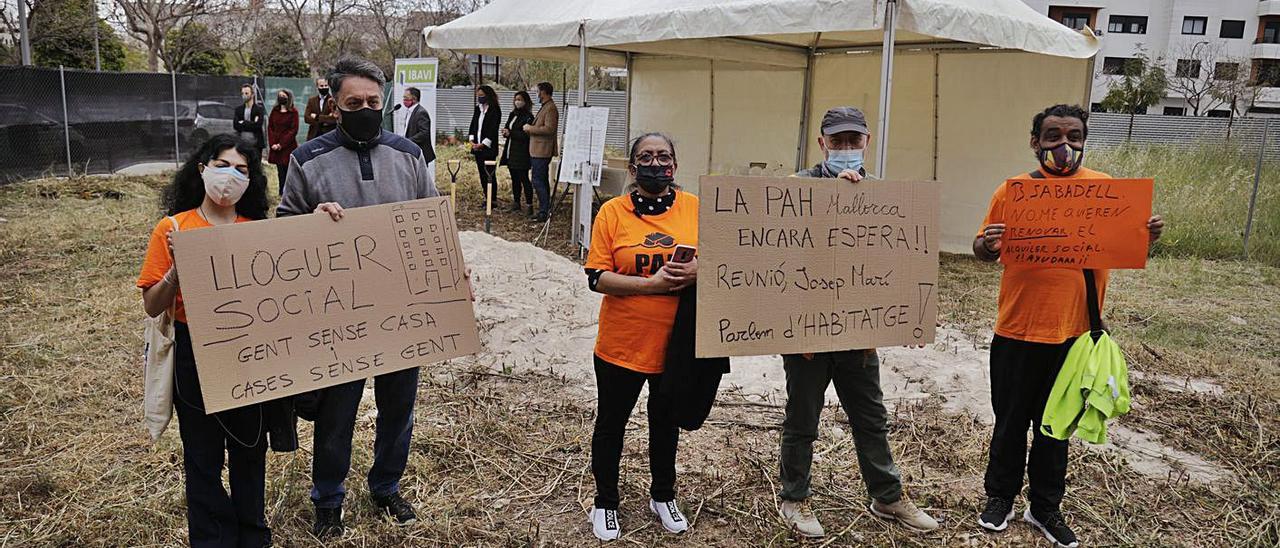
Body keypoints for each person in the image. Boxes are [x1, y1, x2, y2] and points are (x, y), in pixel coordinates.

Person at [973, 104, 1164, 548]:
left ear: (1084, 139)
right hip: (1017, 329)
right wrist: (986, 243)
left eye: (1073, 135)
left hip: (1076, 335)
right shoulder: (1013, 190)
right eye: (1053, 135)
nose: (1064, 145)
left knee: (1055, 426)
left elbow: (1126, 248)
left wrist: (1145, 237)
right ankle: (999, 497)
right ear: (1035, 141)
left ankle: (1044, 508)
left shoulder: (1107, 190)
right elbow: (983, 249)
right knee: (1009, 422)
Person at [277, 56, 439, 539]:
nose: (365, 108)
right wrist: (311, 219)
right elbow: (284, 227)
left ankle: (386, 485)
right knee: (337, 412)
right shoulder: (307, 160)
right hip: (339, 314)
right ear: (335, 103)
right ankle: (328, 497)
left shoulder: (409, 154)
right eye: (354, 103)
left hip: (401, 308)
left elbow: (431, 221)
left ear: (384, 101)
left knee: (399, 407)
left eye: (373, 102)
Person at [778, 107, 939, 538]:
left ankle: (887, 496)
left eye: (854, 141)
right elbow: (780, 254)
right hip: (808, 333)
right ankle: (794, 496)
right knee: (802, 419)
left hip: (860, 331)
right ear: (822, 144)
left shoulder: (885, 198)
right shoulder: (796, 188)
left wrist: (911, 316)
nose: (846, 149)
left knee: (871, 417)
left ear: (868, 142)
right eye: (838, 141)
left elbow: (899, 262)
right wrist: (833, 196)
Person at [137, 134, 272, 548]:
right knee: (202, 456)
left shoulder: (257, 232)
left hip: (248, 351)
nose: (231, 176)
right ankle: (213, 539)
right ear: (202, 169)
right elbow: (150, 304)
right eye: (223, 165)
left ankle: (252, 535)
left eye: (242, 170)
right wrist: (175, 273)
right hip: (193, 353)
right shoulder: (173, 228)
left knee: (250, 450)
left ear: (251, 181)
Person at [583, 133, 698, 542]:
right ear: (632, 169)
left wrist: (697, 271)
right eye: (646, 157)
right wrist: (652, 285)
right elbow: (596, 277)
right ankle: (606, 502)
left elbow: (723, 260)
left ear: (675, 165)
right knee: (612, 423)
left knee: (665, 424)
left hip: (676, 346)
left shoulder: (695, 208)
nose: (656, 163)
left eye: (664, 156)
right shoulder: (612, 213)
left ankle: (663, 496)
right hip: (621, 343)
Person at [524, 82, 558, 222]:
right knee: (541, 180)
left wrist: (530, 128)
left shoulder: (550, 108)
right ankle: (544, 209)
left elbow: (549, 129)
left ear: (543, 92)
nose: (536, 94)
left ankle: (544, 211)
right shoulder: (545, 107)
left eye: (538, 91)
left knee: (538, 181)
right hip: (537, 150)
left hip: (542, 151)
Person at [500, 90, 535, 214]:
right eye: (516, 99)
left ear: (525, 101)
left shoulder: (529, 117)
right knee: (514, 178)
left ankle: (529, 204)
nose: (517, 102)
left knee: (524, 178)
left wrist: (512, 133)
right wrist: (505, 132)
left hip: (522, 152)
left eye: (520, 99)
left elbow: (526, 135)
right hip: (511, 150)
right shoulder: (512, 114)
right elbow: (508, 127)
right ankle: (516, 202)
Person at [468, 85, 501, 208]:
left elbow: (493, 130)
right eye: (478, 96)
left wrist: (483, 144)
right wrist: (472, 141)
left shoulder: (495, 110)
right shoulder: (478, 109)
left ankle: (492, 199)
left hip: (488, 148)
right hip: (477, 147)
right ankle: (486, 196)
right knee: (482, 173)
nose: (480, 98)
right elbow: (473, 125)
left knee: (490, 173)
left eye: (482, 96)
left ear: (488, 95)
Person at [267, 89, 299, 195]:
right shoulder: (275, 110)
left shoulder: (293, 112)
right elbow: (270, 127)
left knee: (289, 170)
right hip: (275, 145)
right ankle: (281, 191)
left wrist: (281, 144)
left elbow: (293, 130)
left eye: (283, 96)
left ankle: (290, 191)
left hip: (288, 146)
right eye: (280, 96)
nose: (281, 97)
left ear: (288, 97)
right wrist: (272, 144)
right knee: (280, 170)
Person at [401, 86, 436, 164]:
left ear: (414, 99)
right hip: (411, 152)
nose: (404, 100)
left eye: (406, 98)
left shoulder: (421, 112)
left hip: (420, 154)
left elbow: (424, 133)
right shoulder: (409, 111)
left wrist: (408, 141)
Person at [233, 83, 265, 153]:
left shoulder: (259, 109)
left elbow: (258, 125)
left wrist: (244, 122)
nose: (244, 95)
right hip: (242, 144)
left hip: (256, 144)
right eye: (242, 93)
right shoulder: (238, 109)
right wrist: (251, 123)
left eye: (246, 93)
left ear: (252, 94)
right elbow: (236, 125)